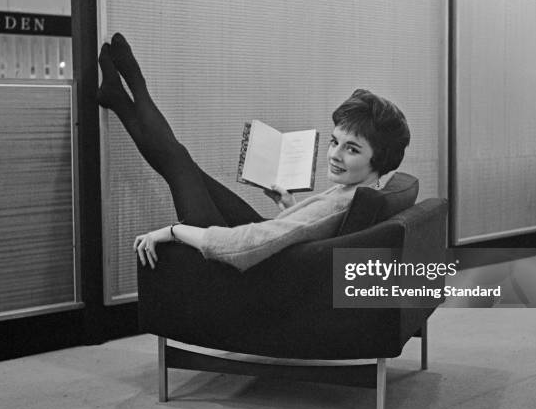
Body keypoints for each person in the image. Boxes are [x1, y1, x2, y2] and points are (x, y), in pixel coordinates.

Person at [97, 33, 410, 272]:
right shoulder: (362, 189)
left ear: (378, 160)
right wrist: (290, 205)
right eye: (334, 142)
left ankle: (131, 88)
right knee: (183, 163)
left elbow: (245, 247)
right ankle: (120, 96)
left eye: (351, 149)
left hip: (246, 264)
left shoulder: (345, 201)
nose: (335, 155)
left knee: (177, 161)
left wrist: (174, 231)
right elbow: (308, 231)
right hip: (270, 248)